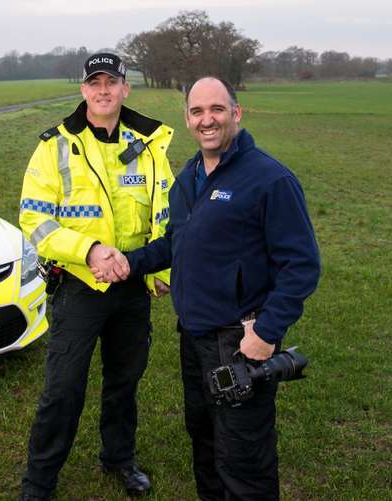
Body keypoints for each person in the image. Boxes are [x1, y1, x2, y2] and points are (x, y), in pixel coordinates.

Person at [113, 77, 321, 500]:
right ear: (187, 119)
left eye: (217, 110)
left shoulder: (270, 179)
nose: (207, 120)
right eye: (197, 111)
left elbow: (301, 266)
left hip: (240, 341)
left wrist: (266, 333)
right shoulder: (188, 176)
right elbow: (177, 241)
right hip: (195, 338)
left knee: (244, 456)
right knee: (204, 439)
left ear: (236, 113)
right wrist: (129, 262)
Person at [17, 52, 175, 500]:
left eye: (112, 82)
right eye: (95, 82)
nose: (103, 90)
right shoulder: (55, 146)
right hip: (80, 287)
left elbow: (164, 212)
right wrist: (88, 250)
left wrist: (158, 268)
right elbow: (35, 220)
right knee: (63, 387)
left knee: (124, 382)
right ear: (83, 90)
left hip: (132, 285)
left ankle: (118, 459)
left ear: (126, 88)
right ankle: (39, 481)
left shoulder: (148, 144)